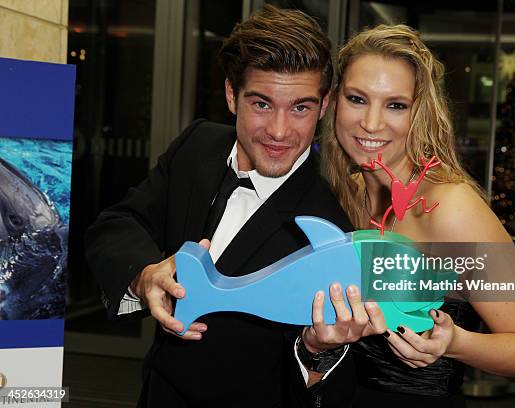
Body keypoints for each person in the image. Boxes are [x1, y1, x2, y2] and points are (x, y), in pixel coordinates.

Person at [85, 6, 384, 407]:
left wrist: (318, 352)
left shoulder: (329, 223)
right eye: (261, 104)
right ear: (231, 95)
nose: (279, 131)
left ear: (325, 105)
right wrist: (144, 275)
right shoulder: (197, 145)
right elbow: (118, 222)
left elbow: (331, 387)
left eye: (300, 107)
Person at [321, 25, 515, 406]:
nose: (371, 123)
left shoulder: (451, 208)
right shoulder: (349, 194)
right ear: (334, 102)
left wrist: (455, 342)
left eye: (395, 104)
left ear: (419, 114)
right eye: (357, 99)